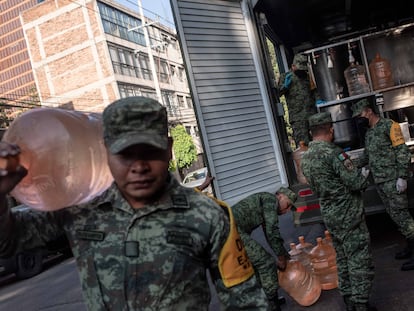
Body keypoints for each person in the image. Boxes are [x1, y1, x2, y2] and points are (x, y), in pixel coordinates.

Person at [0, 96, 270, 310]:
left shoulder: (207, 215)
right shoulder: (79, 208)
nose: (139, 166)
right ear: (105, 151)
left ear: (168, 148)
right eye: (125, 154)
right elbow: (8, 242)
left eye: (150, 152)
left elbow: (246, 301)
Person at [300, 112, 376, 311]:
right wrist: (363, 175)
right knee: (359, 260)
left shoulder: (306, 158)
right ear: (331, 130)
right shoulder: (334, 153)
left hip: (331, 217)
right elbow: (356, 183)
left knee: (342, 259)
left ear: (311, 132)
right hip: (349, 215)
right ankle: (361, 305)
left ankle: (349, 300)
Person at [351, 98, 414, 271]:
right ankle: (410, 246)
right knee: (396, 216)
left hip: (393, 180)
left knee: (403, 216)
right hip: (381, 182)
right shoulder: (370, 133)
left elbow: (401, 150)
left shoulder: (389, 125)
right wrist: (350, 164)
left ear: (369, 111)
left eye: (360, 114)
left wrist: (402, 176)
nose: (359, 119)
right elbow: (367, 156)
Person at [230, 187, 298, 311]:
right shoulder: (271, 201)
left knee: (255, 265)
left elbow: (268, 233)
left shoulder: (266, 201)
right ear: (280, 196)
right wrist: (281, 259)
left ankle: (264, 300)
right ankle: (271, 304)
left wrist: (283, 255)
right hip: (231, 231)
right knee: (266, 263)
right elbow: (272, 232)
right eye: (288, 205)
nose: (287, 211)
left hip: (231, 230)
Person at [278, 53, 320, 147]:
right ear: (293, 66)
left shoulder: (307, 76)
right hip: (297, 118)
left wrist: (318, 100)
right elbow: (278, 93)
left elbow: (314, 91)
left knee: (317, 142)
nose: (301, 71)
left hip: (311, 114)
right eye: (299, 68)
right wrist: (285, 86)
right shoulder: (285, 77)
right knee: (302, 144)